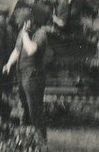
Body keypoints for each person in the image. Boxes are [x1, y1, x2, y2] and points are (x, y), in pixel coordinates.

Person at [4, 9, 61, 141]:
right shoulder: (22, 33)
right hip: (22, 75)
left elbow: (31, 50)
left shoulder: (40, 34)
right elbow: (17, 50)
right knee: (24, 109)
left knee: (34, 110)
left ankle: (41, 141)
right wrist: (8, 64)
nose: (19, 26)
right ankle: (26, 139)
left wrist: (25, 34)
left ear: (28, 22)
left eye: (21, 23)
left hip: (33, 76)